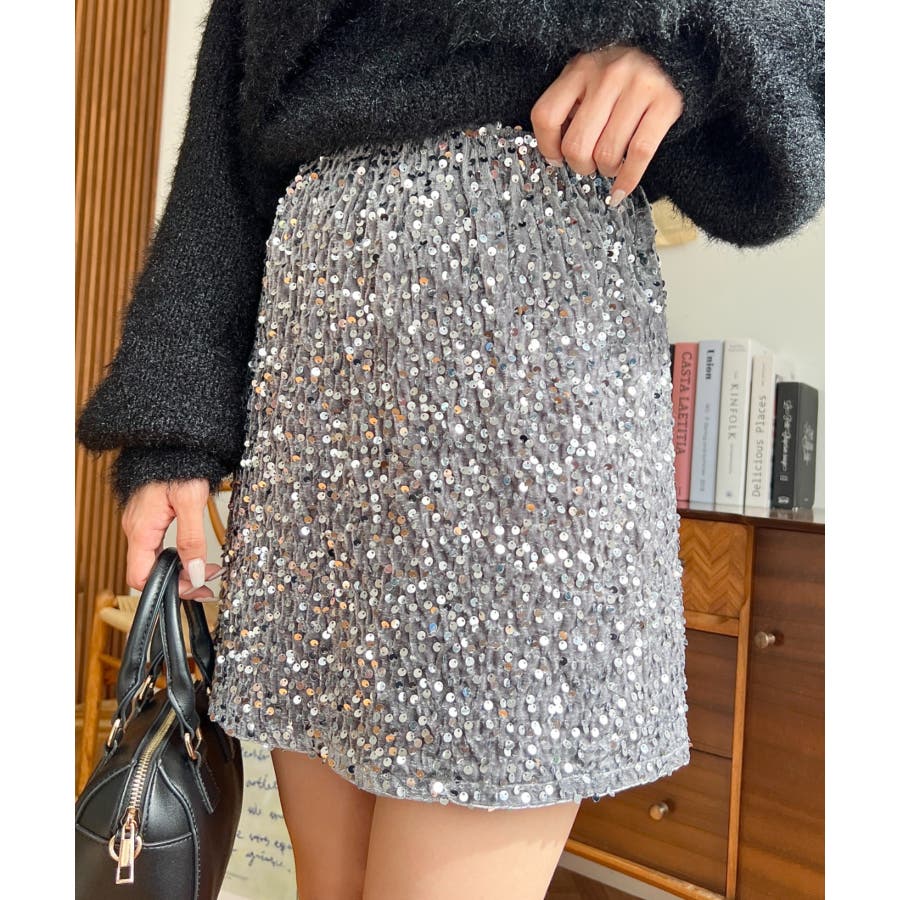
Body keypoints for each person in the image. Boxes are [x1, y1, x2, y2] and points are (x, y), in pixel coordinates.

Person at [75, 2, 825, 898]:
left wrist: (693, 42)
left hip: (525, 377)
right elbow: (220, 163)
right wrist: (169, 436)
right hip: (313, 400)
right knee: (330, 883)